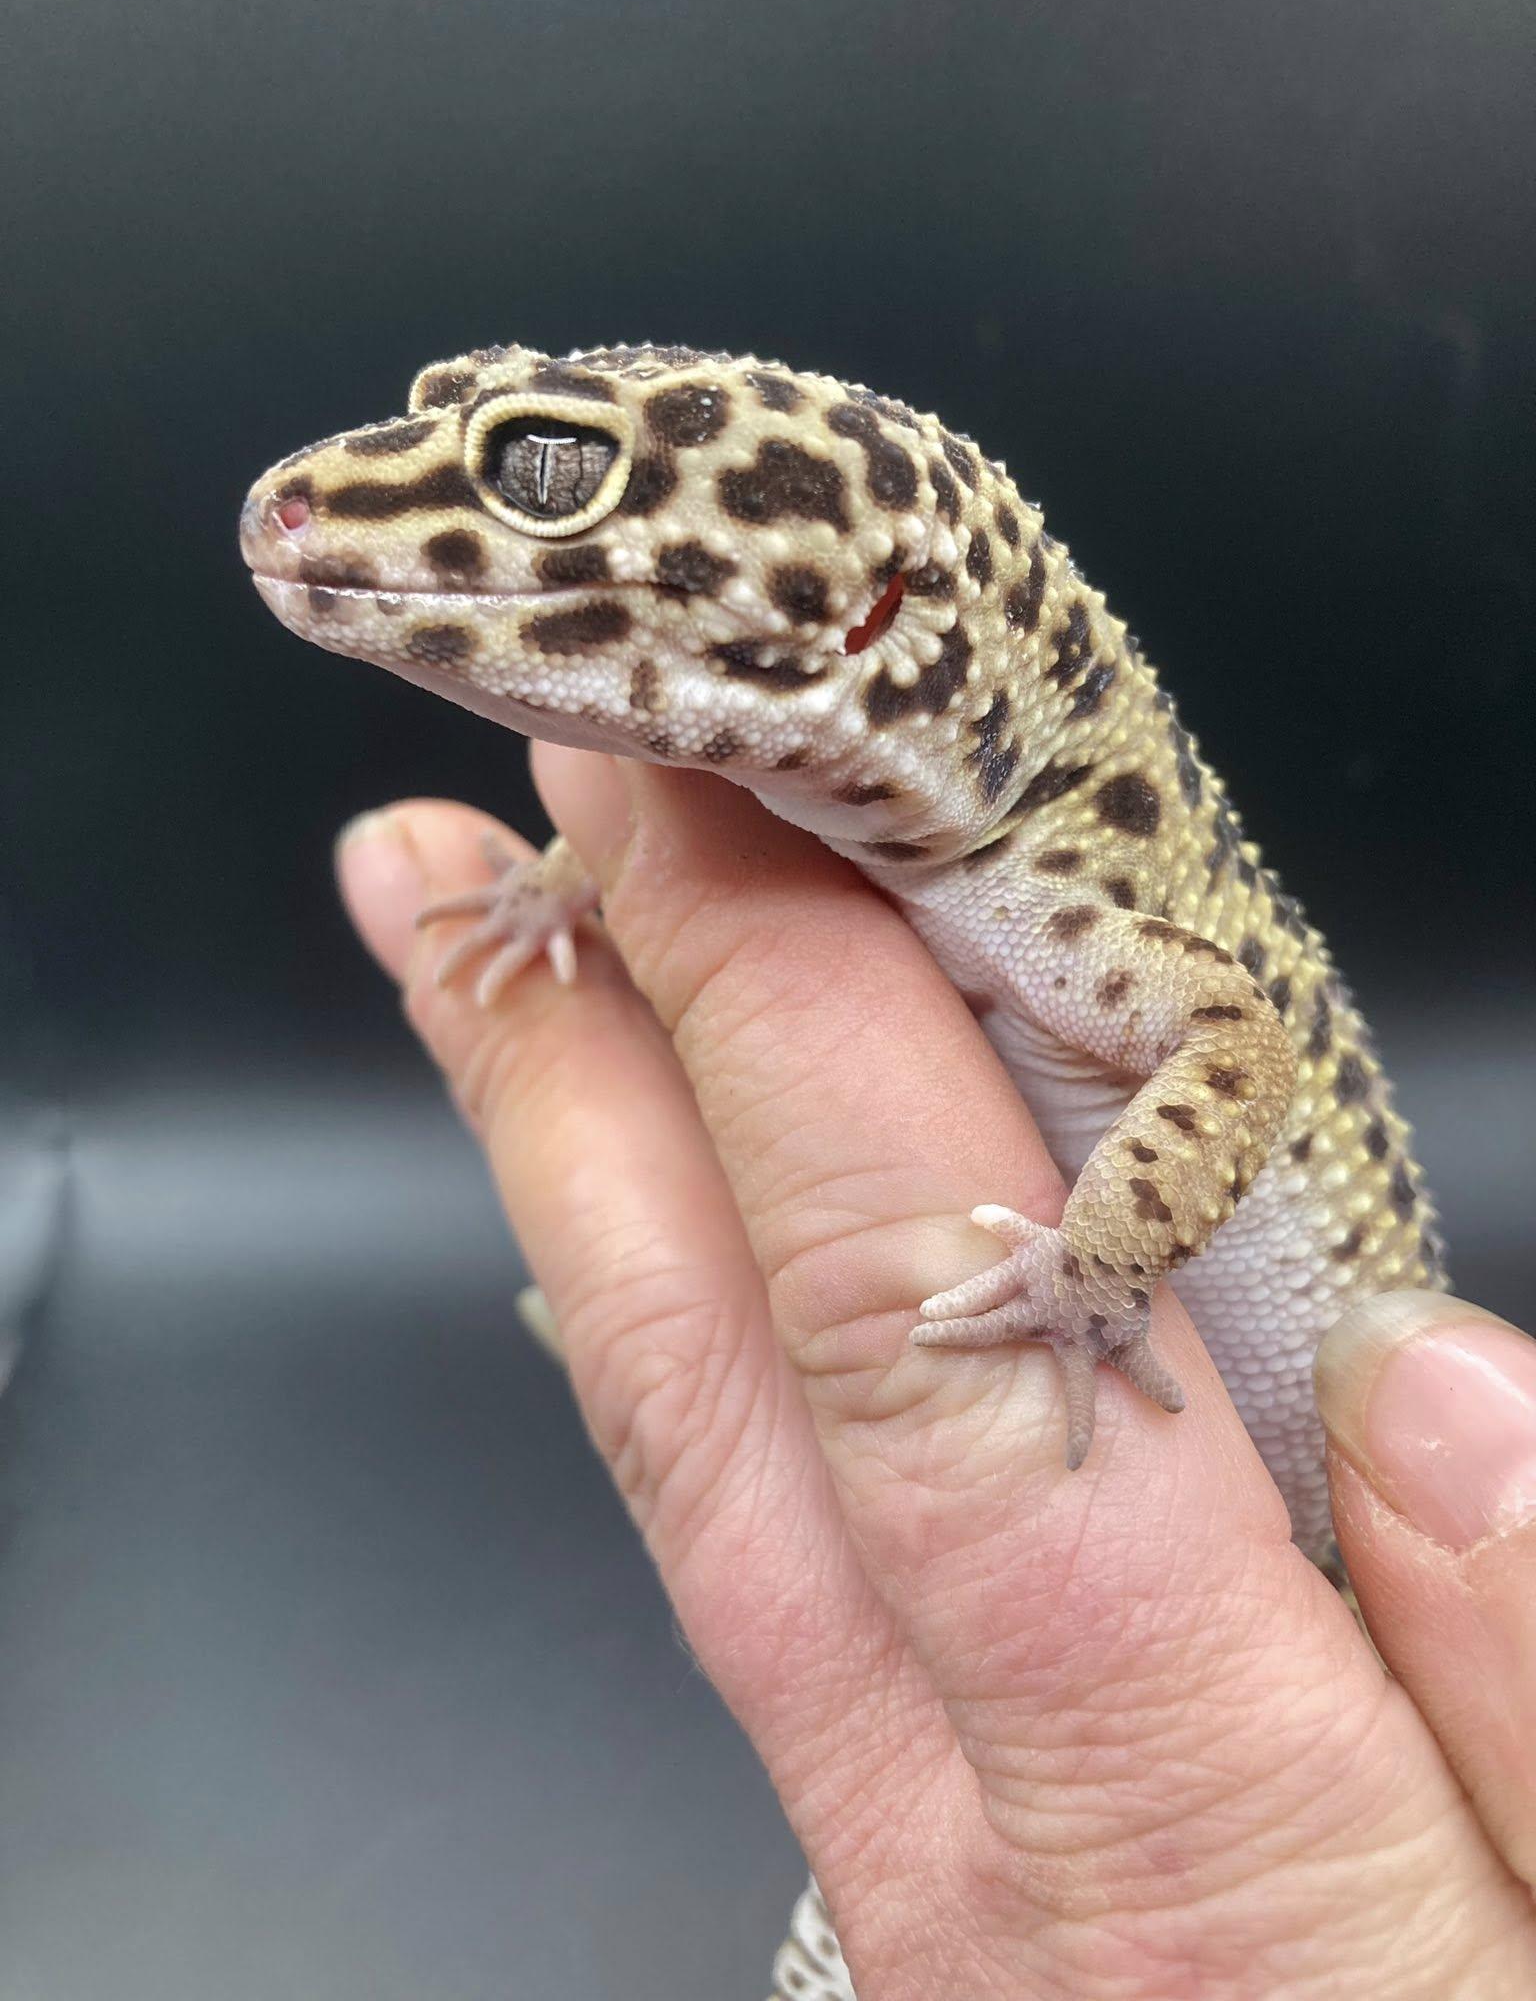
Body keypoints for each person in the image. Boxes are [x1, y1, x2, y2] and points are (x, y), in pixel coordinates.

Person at [335, 746, 1536, 1998]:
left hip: (1335, 1562)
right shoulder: (871, 793)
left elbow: (1239, 1054)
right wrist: (573, 877)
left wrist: (1102, 1262)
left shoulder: (1044, 869)